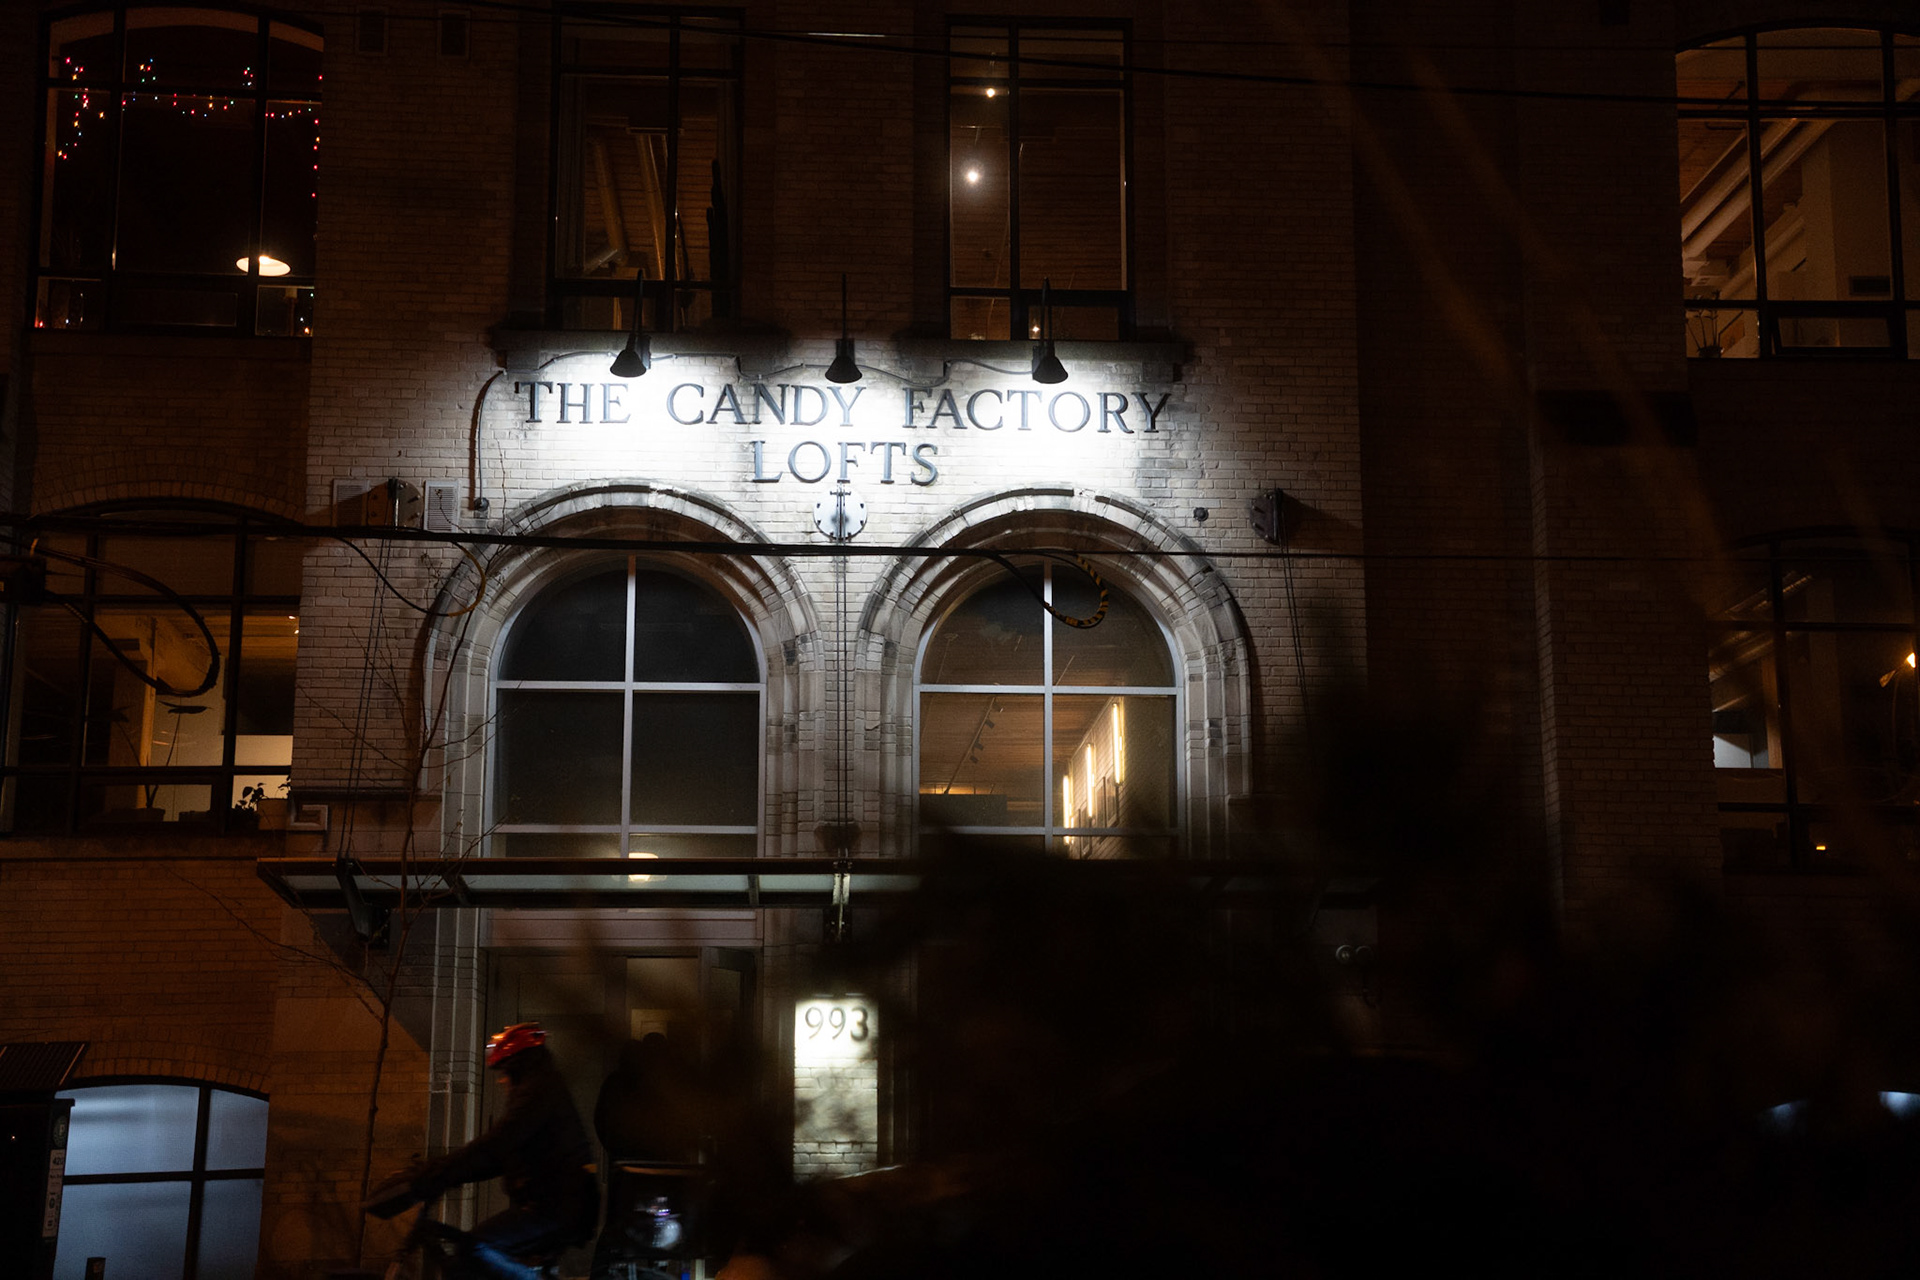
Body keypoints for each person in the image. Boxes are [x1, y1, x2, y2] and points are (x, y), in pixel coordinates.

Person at [406, 1022, 600, 1280]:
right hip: (558, 1203)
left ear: (518, 1065)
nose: (502, 1080)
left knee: (474, 1247)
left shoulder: (537, 1092)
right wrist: (446, 1173)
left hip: (557, 1207)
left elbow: (498, 1142)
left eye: (505, 1072)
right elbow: (498, 1157)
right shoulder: (540, 1086)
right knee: (476, 1250)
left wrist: (438, 1171)